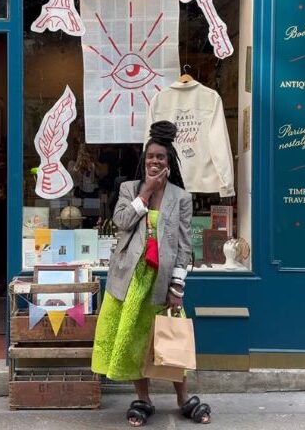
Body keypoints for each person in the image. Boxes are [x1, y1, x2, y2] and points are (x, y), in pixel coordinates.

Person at [91, 121, 211, 426]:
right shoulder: (129, 189)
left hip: (161, 281)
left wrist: (178, 286)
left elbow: (185, 246)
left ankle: (183, 400)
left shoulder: (181, 198)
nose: (155, 161)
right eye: (150, 157)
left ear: (169, 163)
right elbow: (120, 221)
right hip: (129, 281)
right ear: (143, 161)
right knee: (133, 340)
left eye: (161, 157)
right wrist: (146, 193)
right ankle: (143, 399)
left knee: (169, 340)